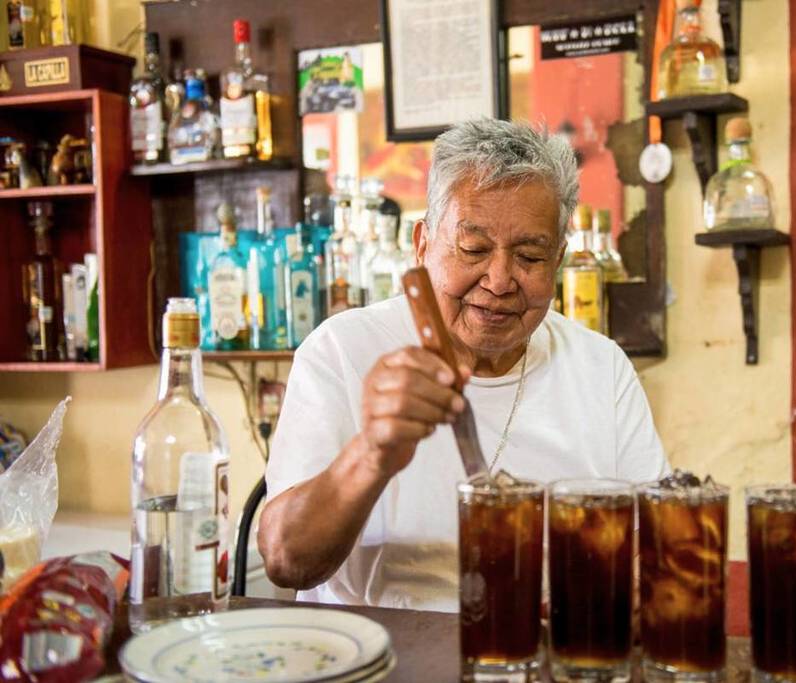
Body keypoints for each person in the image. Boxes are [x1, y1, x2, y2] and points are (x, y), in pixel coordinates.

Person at [258, 118, 667, 611]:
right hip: (382, 657)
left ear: (558, 259)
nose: (498, 280)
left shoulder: (602, 369)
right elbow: (286, 561)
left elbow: (656, 550)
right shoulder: (343, 350)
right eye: (473, 249)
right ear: (423, 243)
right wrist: (371, 454)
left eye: (530, 257)